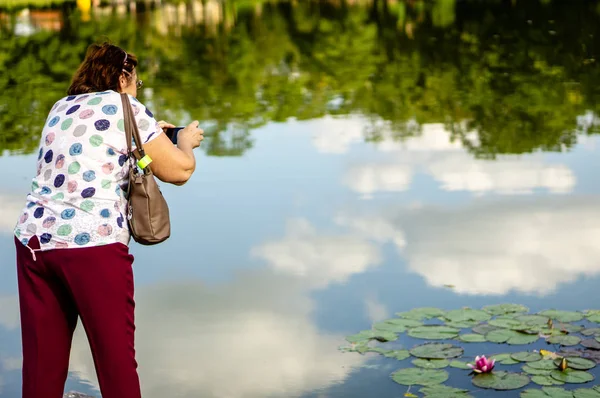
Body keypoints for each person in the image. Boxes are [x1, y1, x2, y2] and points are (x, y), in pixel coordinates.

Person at [12, 42, 204, 398]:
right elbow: (179, 171)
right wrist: (186, 141)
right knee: (115, 364)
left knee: (42, 367)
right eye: (137, 82)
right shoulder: (125, 105)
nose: (137, 90)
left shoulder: (60, 107)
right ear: (122, 77)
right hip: (91, 245)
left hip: (34, 241)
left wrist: (147, 135)